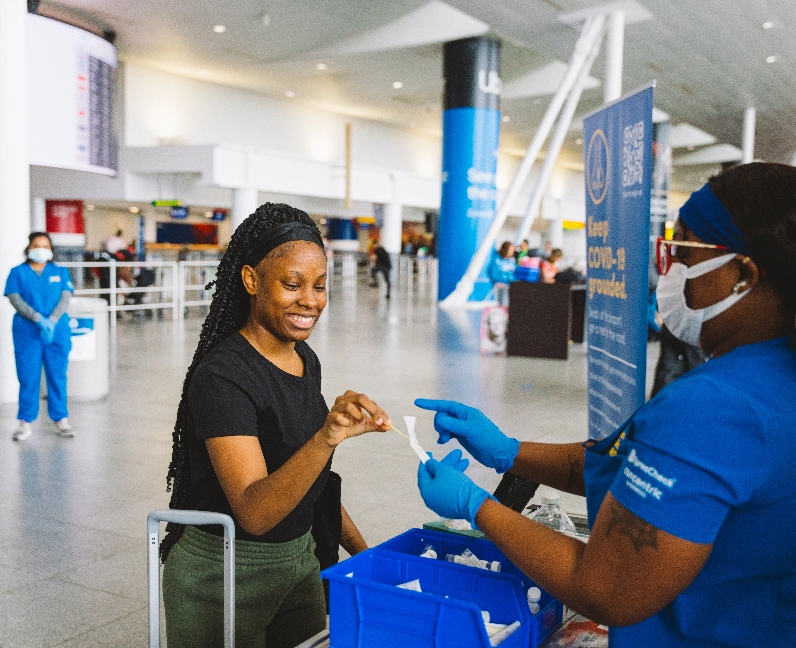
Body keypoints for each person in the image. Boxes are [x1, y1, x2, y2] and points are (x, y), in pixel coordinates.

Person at [414, 163, 796, 647]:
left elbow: (607, 587)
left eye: (682, 253)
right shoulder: (774, 377)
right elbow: (632, 471)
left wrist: (476, 505)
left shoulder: (717, 407)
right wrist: (508, 451)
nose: (668, 272)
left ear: (742, 273)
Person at [160, 203, 392, 648]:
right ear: (251, 280)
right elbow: (255, 511)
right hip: (223, 574)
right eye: (292, 284)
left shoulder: (305, 360)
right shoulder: (223, 376)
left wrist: (366, 558)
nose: (310, 300)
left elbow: (311, 484)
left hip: (298, 563)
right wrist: (327, 437)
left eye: (320, 286)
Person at [4, 232, 75, 440]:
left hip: (57, 331)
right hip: (27, 332)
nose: (41, 249)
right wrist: (37, 319)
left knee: (57, 376)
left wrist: (51, 320)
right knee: (28, 376)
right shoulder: (17, 272)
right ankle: (24, 422)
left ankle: (61, 419)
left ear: (51, 250)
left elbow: (65, 297)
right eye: (36, 245)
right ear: (28, 248)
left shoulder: (60, 272)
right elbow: (15, 299)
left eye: (45, 245)